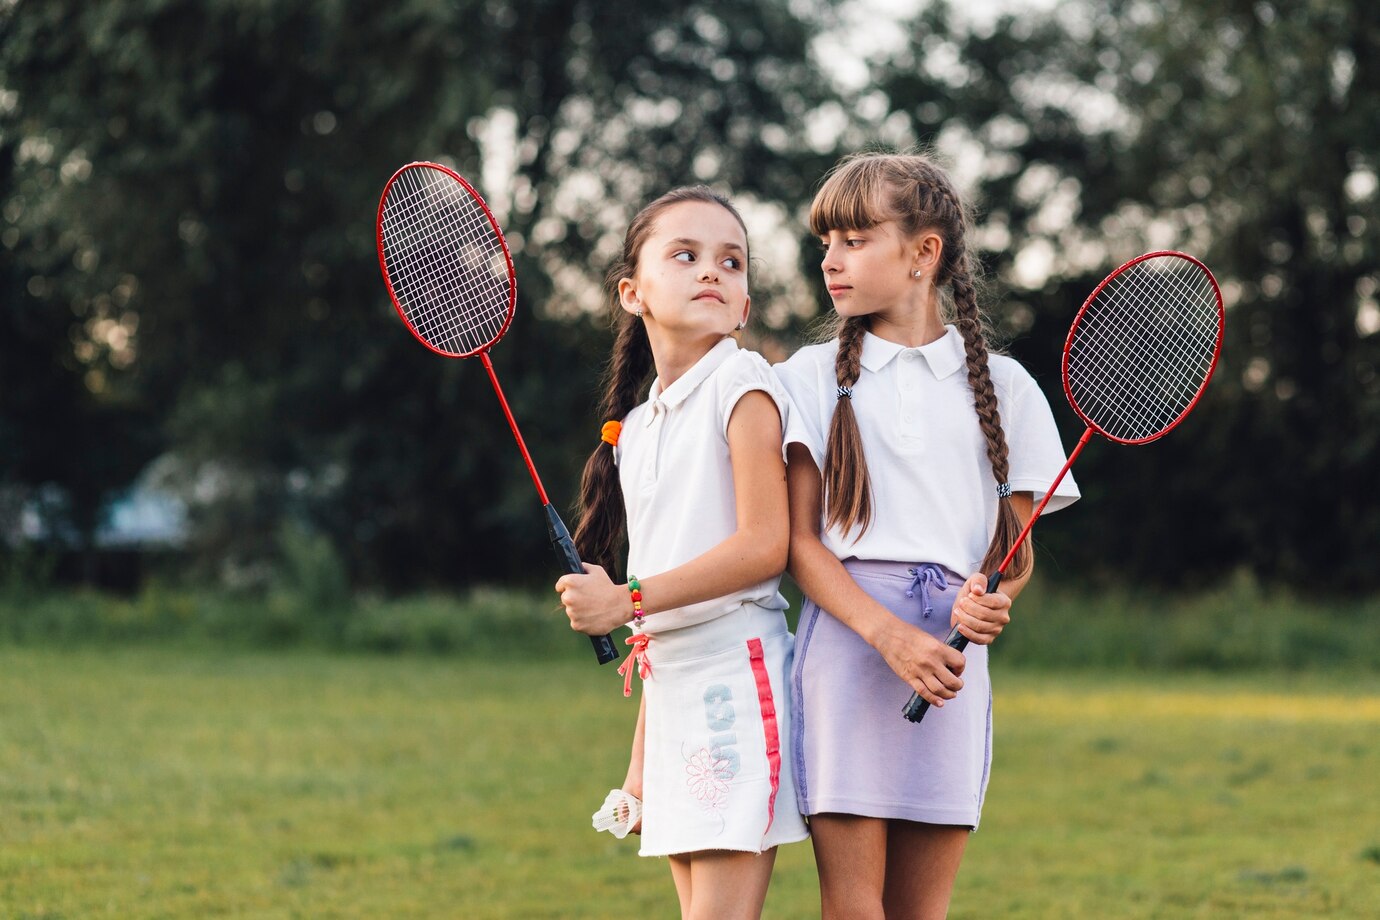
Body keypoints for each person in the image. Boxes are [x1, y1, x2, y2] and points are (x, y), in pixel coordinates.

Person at [773, 152, 1080, 919]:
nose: (831, 261)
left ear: (923, 253)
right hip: (849, 644)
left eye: (855, 239)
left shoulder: (1007, 389)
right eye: (826, 243)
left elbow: (1014, 556)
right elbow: (801, 546)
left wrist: (995, 600)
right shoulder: (806, 377)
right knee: (852, 905)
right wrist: (887, 637)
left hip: (951, 657)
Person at [556, 186, 809, 920]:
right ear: (633, 293)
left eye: (732, 262)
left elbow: (766, 547)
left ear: (745, 307)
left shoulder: (741, 380)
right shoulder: (633, 430)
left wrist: (624, 600)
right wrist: (638, 772)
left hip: (736, 673)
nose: (712, 271)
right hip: (674, 698)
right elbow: (658, 635)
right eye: (686, 254)